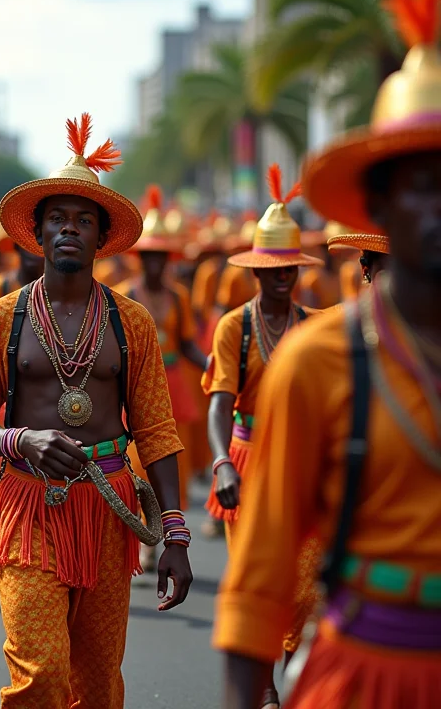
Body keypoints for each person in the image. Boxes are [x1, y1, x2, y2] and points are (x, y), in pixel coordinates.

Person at [216, 0, 441, 708]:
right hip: (365, 668)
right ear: (379, 201)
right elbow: (262, 569)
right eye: (423, 185)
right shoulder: (318, 360)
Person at [0, 114, 192, 708]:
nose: (69, 229)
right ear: (37, 233)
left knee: (97, 679)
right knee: (40, 671)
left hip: (108, 510)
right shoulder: (1, 317)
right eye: (58, 218)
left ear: (100, 239)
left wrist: (175, 534)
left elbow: (157, 430)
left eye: (84, 221)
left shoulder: (130, 322)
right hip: (27, 505)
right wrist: (19, 441)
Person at [204, 164, 323, 708]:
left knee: (307, 582)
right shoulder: (236, 327)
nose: (283, 275)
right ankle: (269, 686)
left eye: (290, 266)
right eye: (273, 266)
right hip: (247, 461)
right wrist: (221, 462)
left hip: (304, 462)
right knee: (261, 577)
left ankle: (295, 672)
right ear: (254, 270)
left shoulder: (317, 326)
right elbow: (220, 404)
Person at [116, 185, 206, 517]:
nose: (155, 263)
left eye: (160, 256)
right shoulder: (123, 296)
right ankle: (140, 526)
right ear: (139, 258)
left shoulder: (179, 296)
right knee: (136, 457)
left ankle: (166, 525)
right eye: (148, 256)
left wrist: (213, 364)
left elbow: (186, 344)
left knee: (170, 455)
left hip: (173, 383)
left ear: (168, 259)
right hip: (134, 382)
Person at [0, 243, 45, 511]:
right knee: (5, 496)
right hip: (7, 403)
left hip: (49, 405)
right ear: (15, 245)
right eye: (24, 242)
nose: (31, 249)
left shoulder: (70, 294)